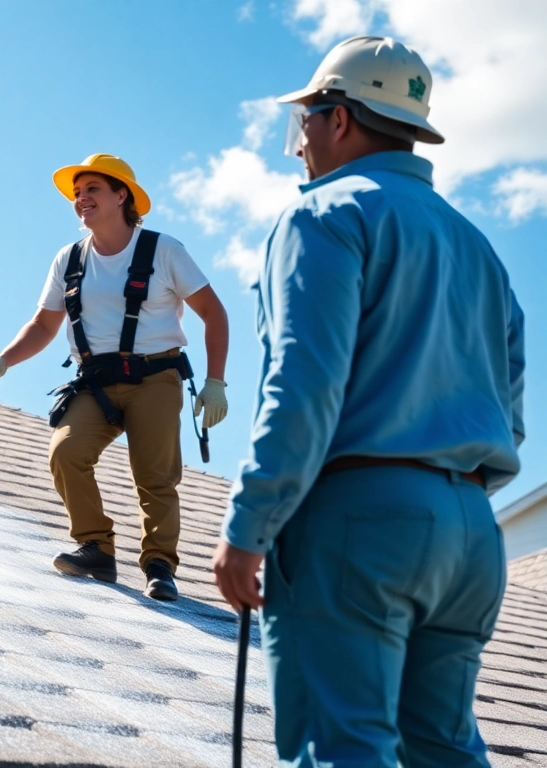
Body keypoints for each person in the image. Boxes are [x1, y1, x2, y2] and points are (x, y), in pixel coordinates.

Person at [212, 36, 525, 767]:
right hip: (473, 538)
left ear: (340, 119)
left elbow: (303, 386)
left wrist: (250, 523)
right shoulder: (481, 250)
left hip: (358, 523)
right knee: (443, 750)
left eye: (305, 124)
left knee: (343, 748)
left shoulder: (324, 216)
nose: (299, 147)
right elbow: (509, 415)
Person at [0, 154, 230, 602]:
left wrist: (216, 381)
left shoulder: (163, 250)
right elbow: (44, 325)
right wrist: (3, 360)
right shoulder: (69, 259)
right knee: (66, 452)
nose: (81, 199)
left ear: (121, 195)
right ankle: (96, 548)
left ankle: (160, 566)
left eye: (91, 189)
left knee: (155, 476)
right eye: (77, 193)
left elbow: (214, 313)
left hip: (155, 377)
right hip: (95, 381)